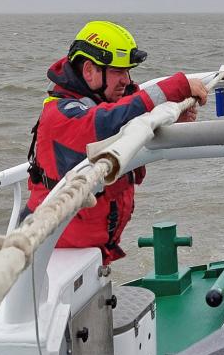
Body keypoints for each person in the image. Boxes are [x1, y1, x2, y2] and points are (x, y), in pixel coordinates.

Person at [24, 21, 208, 263]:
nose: (125, 80)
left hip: (88, 247)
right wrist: (177, 86)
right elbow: (106, 123)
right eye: (117, 71)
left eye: (127, 72)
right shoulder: (61, 114)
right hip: (53, 247)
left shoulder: (103, 102)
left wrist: (169, 116)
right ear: (89, 71)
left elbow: (129, 118)